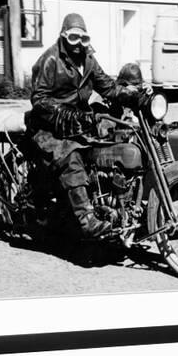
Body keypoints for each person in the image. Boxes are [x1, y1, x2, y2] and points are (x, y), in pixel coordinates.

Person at [27, 13, 140, 239]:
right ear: (63, 36)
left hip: (78, 123)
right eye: (73, 38)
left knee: (115, 137)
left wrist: (134, 97)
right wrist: (63, 113)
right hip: (47, 127)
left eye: (83, 38)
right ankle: (85, 218)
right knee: (71, 155)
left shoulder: (88, 60)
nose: (78, 44)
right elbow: (39, 99)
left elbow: (108, 88)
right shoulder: (50, 60)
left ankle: (116, 200)